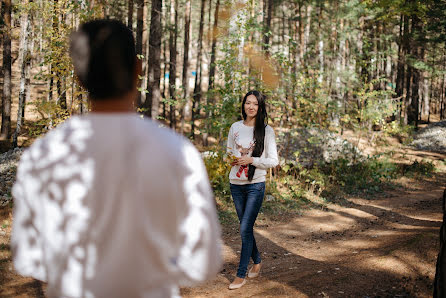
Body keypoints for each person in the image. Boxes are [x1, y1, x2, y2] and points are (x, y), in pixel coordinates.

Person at [11, 19, 222, 298]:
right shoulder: (177, 153)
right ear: (138, 68)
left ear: (78, 75)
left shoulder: (42, 155)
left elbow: (28, 258)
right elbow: (202, 263)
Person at [226, 90, 278, 290]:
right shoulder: (235, 127)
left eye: (255, 104)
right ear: (243, 105)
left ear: (260, 107)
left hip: (255, 185)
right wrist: (231, 159)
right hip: (236, 184)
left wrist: (252, 160)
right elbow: (229, 151)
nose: (251, 106)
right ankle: (257, 260)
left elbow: (273, 161)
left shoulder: (266, 131)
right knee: (245, 228)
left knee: (244, 229)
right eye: (248, 103)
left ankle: (240, 275)